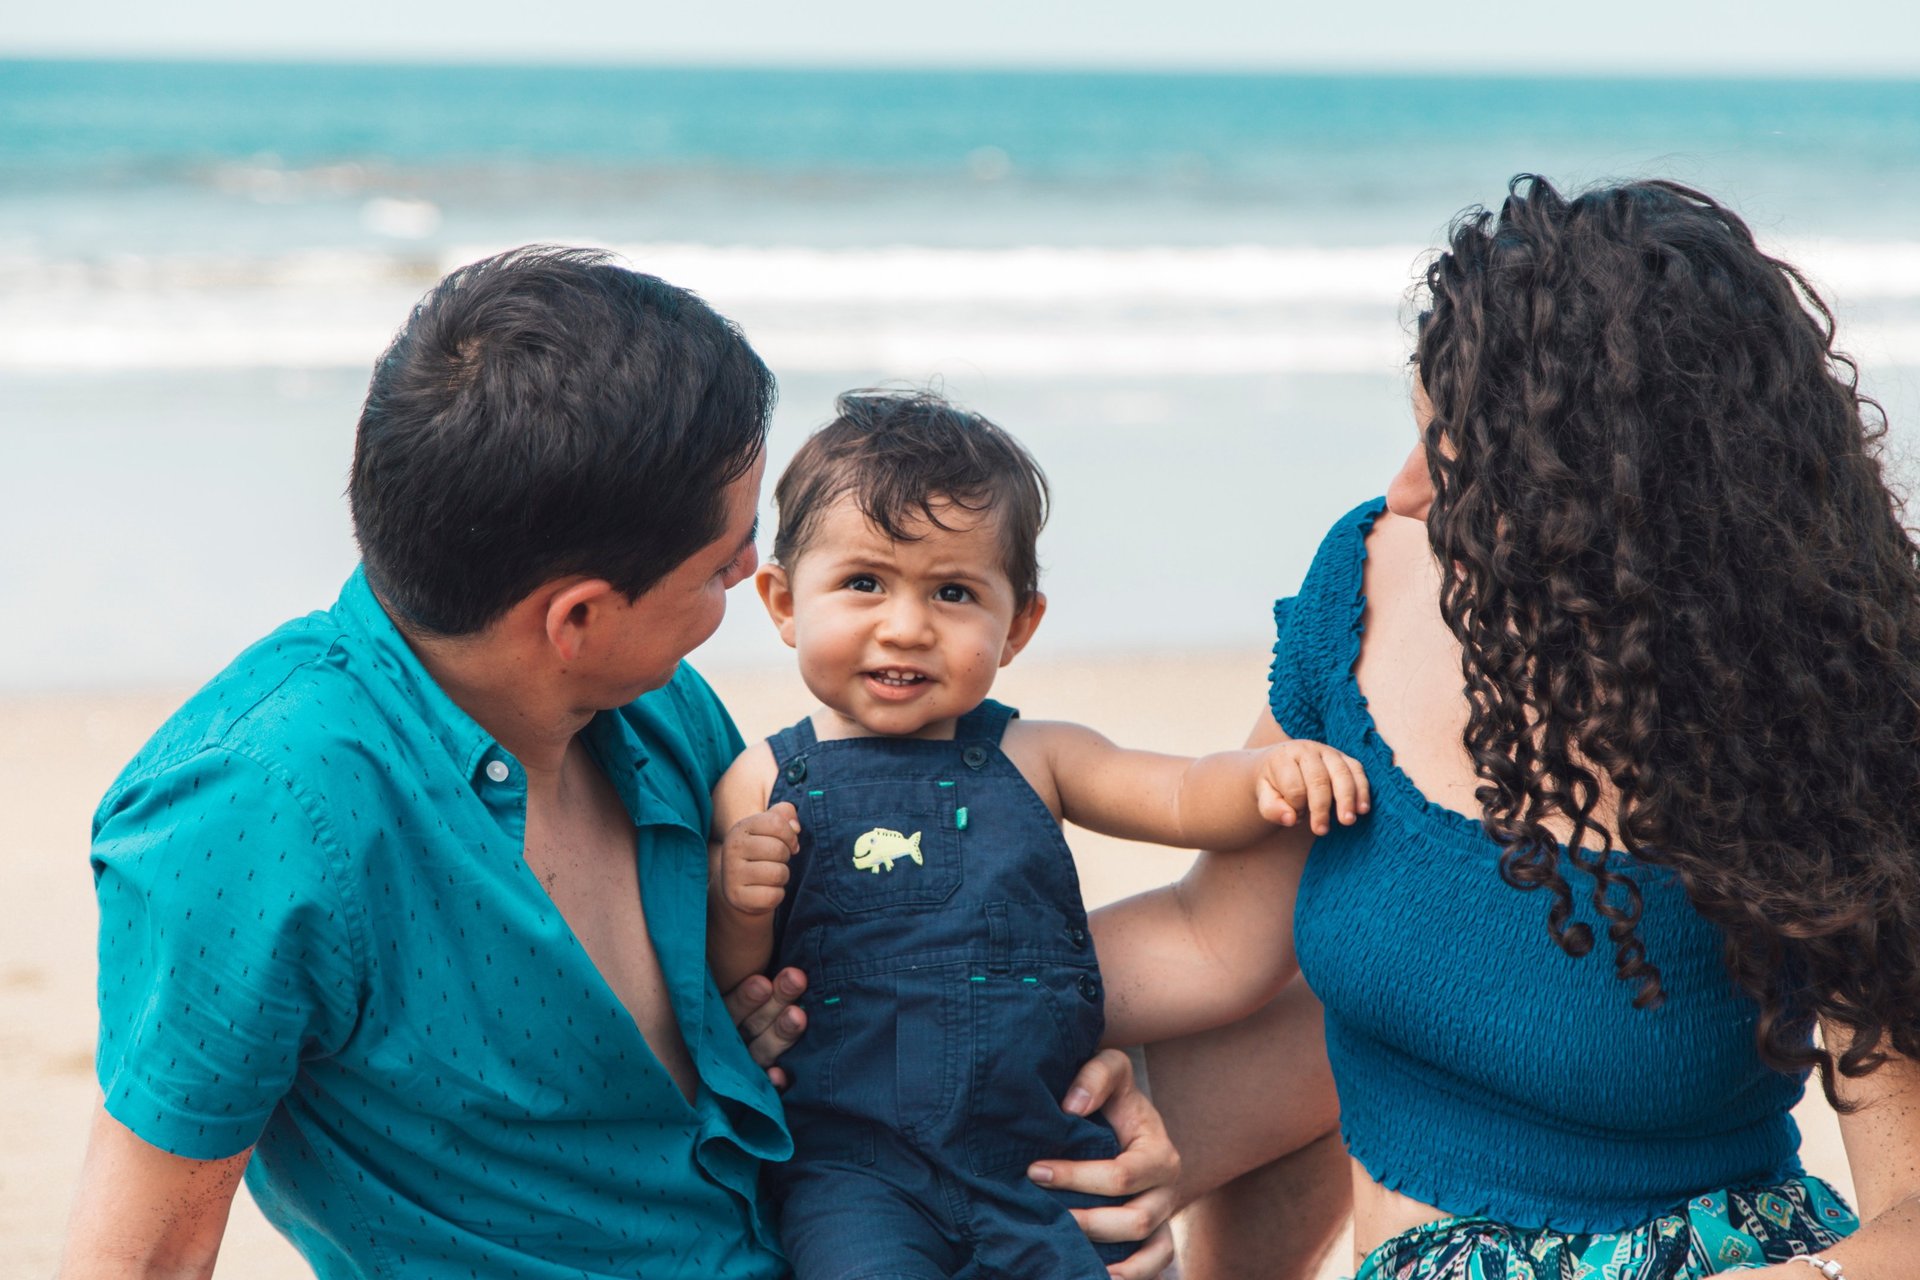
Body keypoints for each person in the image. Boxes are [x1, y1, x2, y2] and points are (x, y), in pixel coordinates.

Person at [57, 248, 1179, 1279]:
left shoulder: (650, 706)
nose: (752, 572)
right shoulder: (257, 809)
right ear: (579, 615)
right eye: (722, 556)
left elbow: (881, 940)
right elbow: (136, 1258)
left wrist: (1065, 1077)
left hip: (868, 1214)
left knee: (1299, 1008)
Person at [1095, 176, 1920, 1279]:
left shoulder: (1820, 729)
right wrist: (919, 959)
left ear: (1615, 513)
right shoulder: (1366, 588)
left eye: (1456, 461)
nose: (1400, 494)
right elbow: (1214, 940)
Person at [706, 391, 1369, 1280]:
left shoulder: (1038, 754)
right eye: (863, 583)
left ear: (1017, 625)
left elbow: (1176, 794)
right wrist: (736, 897)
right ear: (785, 603)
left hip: (1041, 1156)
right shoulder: (762, 778)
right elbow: (737, 982)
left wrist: (1265, 781)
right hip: (854, 1174)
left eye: (953, 592)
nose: (905, 625)